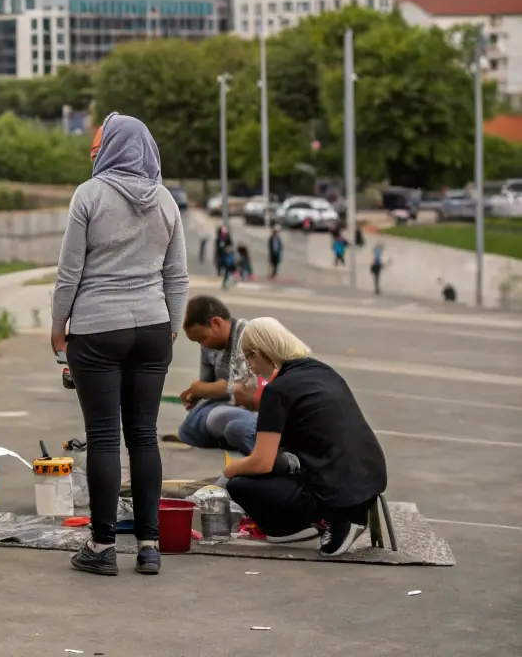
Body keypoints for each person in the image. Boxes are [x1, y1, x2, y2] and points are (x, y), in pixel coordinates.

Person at [51, 113, 188, 577]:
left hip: (97, 328)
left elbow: (70, 271)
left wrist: (58, 326)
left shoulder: (89, 195)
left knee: (105, 436)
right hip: (153, 327)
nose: (94, 155)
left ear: (113, 149)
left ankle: (102, 546)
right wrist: (171, 327)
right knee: (144, 435)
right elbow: (177, 275)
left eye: (98, 147)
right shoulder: (166, 200)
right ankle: (149, 546)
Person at [223, 317, 388, 557]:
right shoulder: (322, 370)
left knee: (239, 484)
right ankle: (339, 516)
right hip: (370, 478)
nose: (249, 365)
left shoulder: (277, 390)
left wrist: (230, 470)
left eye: (249, 357)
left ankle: (298, 528)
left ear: (258, 352)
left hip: (339, 494)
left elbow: (262, 462)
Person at [178, 296, 258, 456]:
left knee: (217, 418)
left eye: (203, 338)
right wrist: (196, 394)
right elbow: (207, 383)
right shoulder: (209, 347)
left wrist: (203, 389)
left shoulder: (247, 336)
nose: (203, 344)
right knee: (192, 425)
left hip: (258, 404)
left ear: (216, 323)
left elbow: (245, 388)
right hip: (231, 406)